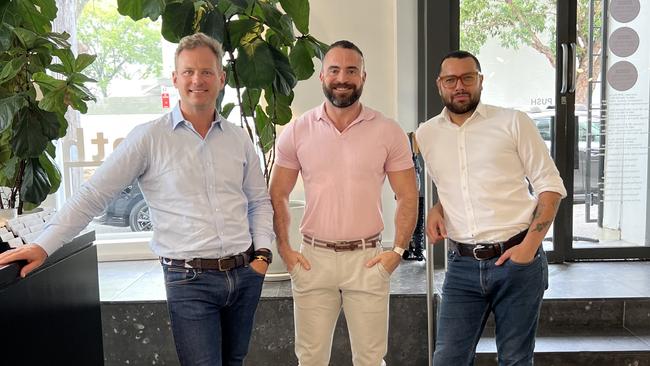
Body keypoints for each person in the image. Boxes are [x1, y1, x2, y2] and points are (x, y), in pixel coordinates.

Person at [0, 32, 274, 366]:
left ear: (221, 77)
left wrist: (262, 255)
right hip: (190, 283)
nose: (197, 79)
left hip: (244, 274)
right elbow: (93, 193)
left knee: (236, 362)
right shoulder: (149, 138)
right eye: (188, 71)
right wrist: (44, 245)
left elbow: (258, 201)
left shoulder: (238, 138)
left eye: (206, 71)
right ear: (175, 78)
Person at [269, 40, 418, 366]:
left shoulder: (388, 132)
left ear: (363, 77)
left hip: (367, 260)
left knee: (370, 359)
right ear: (322, 76)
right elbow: (277, 192)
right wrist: (286, 251)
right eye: (334, 70)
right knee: (310, 359)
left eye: (351, 71)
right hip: (312, 259)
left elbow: (407, 194)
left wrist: (397, 253)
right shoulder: (297, 130)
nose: (343, 78)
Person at [415, 50, 567, 365]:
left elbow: (550, 188)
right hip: (462, 266)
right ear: (439, 85)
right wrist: (438, 209)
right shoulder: (427, 134)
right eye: (451, 79)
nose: (459, 86)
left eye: (467, 77)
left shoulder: (513, 122)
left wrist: (529, 247)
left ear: (480, 81)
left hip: (517, 260)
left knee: (514, 359)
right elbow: (464, 184)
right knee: (448, 359)